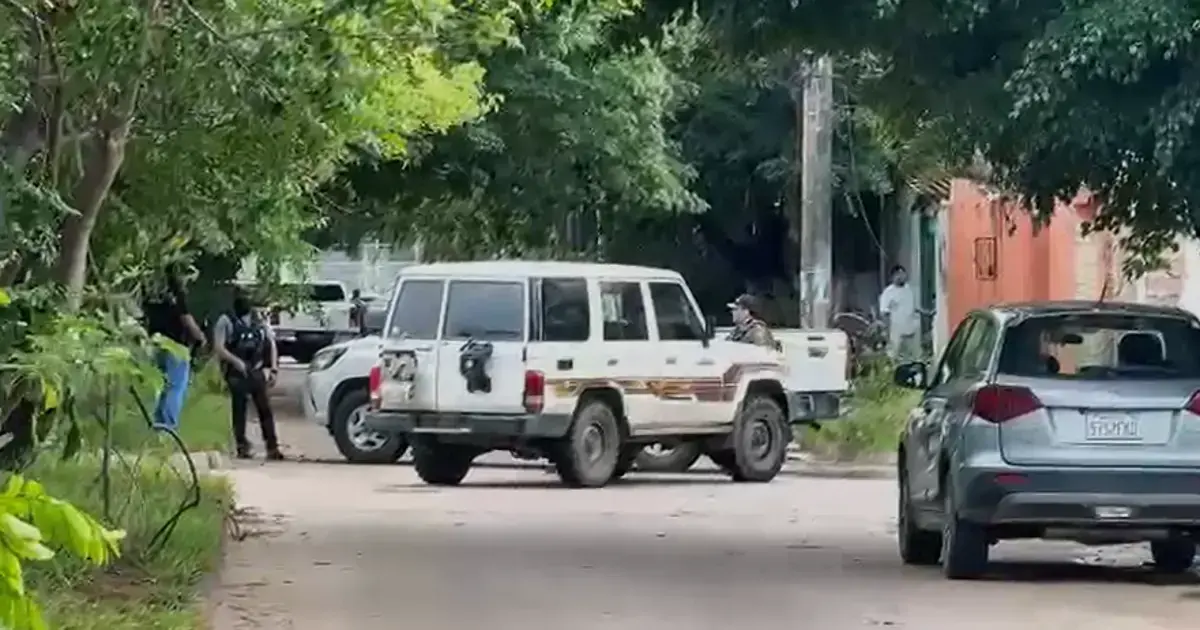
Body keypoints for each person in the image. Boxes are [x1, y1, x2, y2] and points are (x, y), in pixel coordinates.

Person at [213, 289, 284, 460]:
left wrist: (273, 369)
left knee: (264, 409)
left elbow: (271, 344)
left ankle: (272, 447)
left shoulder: (258, 320)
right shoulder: (227, 320)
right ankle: (242, 445)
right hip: (237, 372)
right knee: (240, 409)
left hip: (255, 370)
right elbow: (219, 347)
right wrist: (237, 362)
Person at [143, 265, 207, 430]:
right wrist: (201, 338)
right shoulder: (178, 295)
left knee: (161, 385)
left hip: (156, 343)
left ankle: (157, 425)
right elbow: (186, 319)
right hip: (176, 346)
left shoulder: (152, 294)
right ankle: (168, 426)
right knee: (176, 387)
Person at [878, 264, 928, 362]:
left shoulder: (910, 289)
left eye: (903, 273)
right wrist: (886, 333)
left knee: (915, 358)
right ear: (893, 277)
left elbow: (915, 308)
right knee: (893, 357)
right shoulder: (888, 293)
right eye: (898, 274)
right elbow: (884, 313)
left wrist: (927, 313)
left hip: (912, 330)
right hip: (896, 332)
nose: (901, 277)